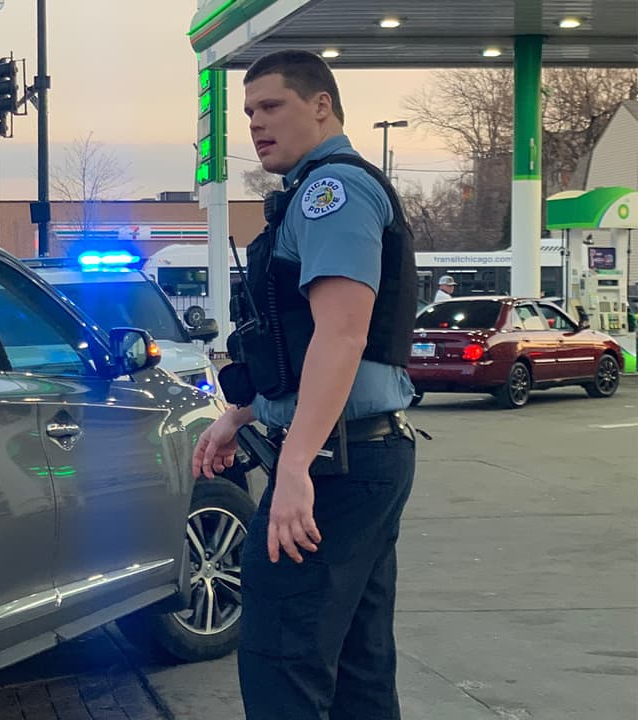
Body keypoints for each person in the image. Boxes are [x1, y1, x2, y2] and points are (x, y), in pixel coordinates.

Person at [193, 50, 419, 720]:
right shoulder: (314, 191)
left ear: (321, 106)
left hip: (336, 461)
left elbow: (342, 335)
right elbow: (307, 345)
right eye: (248, 112)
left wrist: (295, 465)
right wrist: (244, 413)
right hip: (360, 451)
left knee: (282, 660)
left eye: (272, 106)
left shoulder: (331, 192)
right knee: (356, 667)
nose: (256, 124)